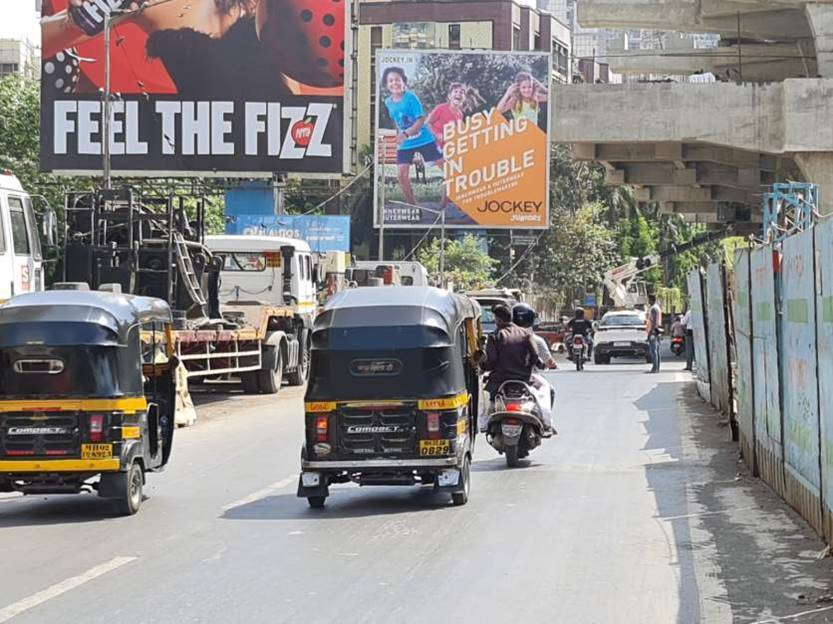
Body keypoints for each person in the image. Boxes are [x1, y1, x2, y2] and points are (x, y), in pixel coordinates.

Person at [381, 67, 446, 208]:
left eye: (397, 79)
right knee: (401, 174)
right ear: (386, 85)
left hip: (424, 139)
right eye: (390, 81)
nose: (394, 83)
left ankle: (447, 201)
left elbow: (421, 119)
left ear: (403, 81)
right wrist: (399, 136)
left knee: (447, 169)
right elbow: (397, 121)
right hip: (406, 143)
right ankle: (413, 205)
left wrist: (405, 134)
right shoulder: (388, 102)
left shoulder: (411, 98)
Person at [480, 304, 541, 432]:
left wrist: (484, 367)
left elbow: (491, 361)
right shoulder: (526, 333)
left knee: (489, 403)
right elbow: (535, 355)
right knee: (542, 394)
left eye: (495, 318)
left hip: (499, 380)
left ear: (499, 320)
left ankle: (485, 424)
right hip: (523, 379)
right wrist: (528, 369)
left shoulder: (494, 336)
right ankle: (545, 424)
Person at [512, 303, 556, 435]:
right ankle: (546, 423)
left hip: (505, 377)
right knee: (550, 391)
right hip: (529, 377)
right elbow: (548, 362)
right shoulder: (536, 340)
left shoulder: (501, 337)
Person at [646, 294, 663, 373]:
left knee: (653, 351)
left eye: (649, 300)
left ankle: (655, 368)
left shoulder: (653, 309)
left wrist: (651, 332)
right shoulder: (657, 308)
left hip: (654, 331)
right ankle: (657, 368)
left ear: (651, 300)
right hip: (657, 330)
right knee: (656, 350)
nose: (648, 301)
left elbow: (654, 322)